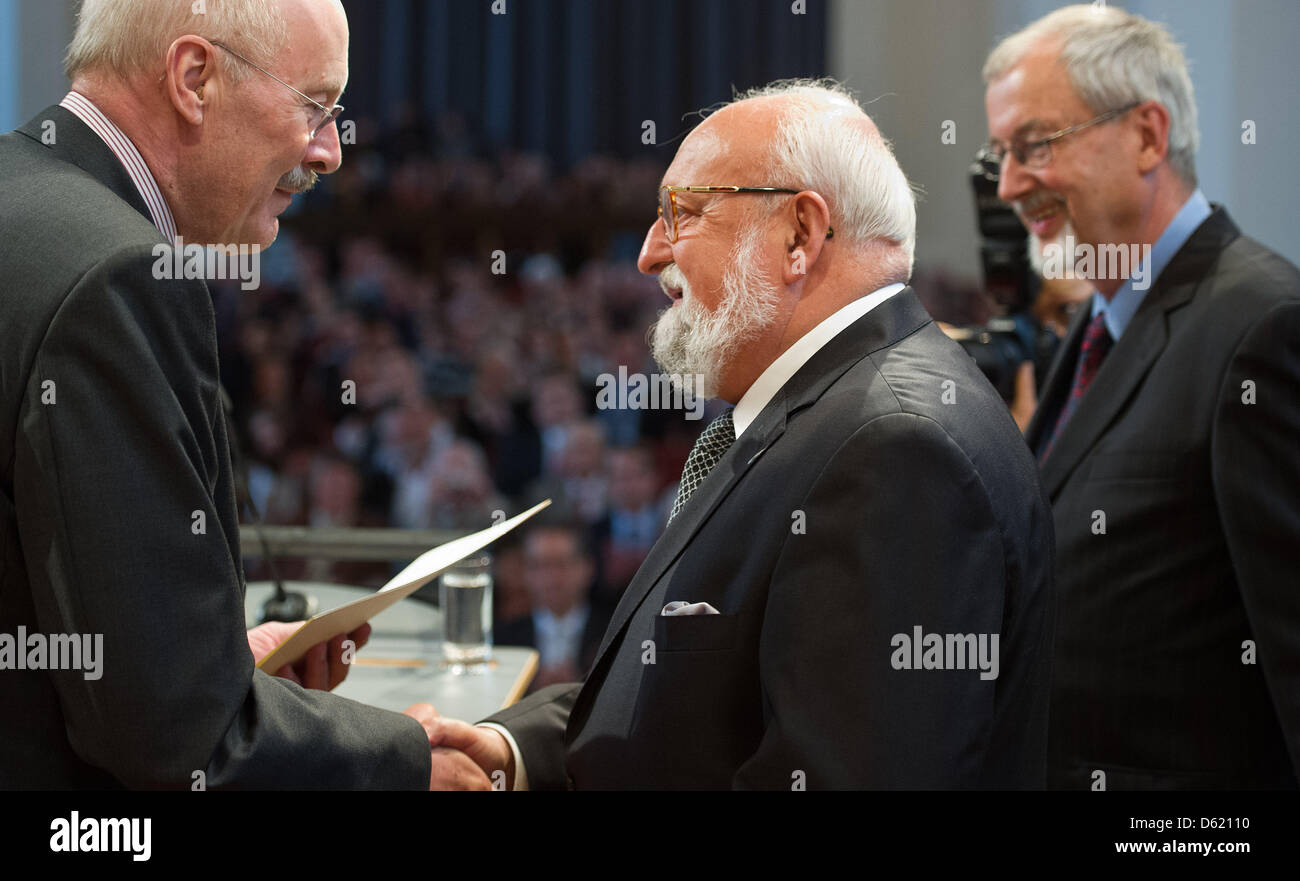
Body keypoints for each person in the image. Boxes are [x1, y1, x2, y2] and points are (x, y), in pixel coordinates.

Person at [439, 80, 1057, 789]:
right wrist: (516, 757)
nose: (648, 253)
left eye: (685, 212)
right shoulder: (829, 411)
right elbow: (691, 701)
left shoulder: (896, 446)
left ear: (799, 233)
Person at [0, 0, 487, 789]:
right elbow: (177, 737)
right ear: (195, 78)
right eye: (315, 107)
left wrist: (207, 657)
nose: (330, 151)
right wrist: (406, 764)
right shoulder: (123, 275)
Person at [983, 5, 1300, 789]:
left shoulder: (1262, 326)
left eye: (1035, 145)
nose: (1012, 184)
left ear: (1148, 136)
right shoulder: (1095, 325)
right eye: (1001, 155)